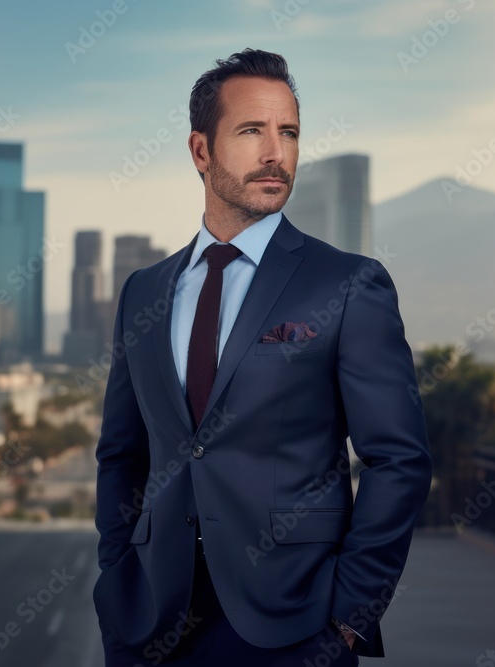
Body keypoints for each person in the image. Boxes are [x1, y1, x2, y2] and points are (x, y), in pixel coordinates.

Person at [93, 48, 433, 666]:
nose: (276, 152)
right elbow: (122, 452)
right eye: (252, 131)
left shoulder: (348, 284)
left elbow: (399, 459)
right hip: (149, 625)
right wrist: (116, 573)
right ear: (201, 151)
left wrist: (350, 616)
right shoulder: (144, 291)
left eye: (289, 133)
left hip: (296, 626)